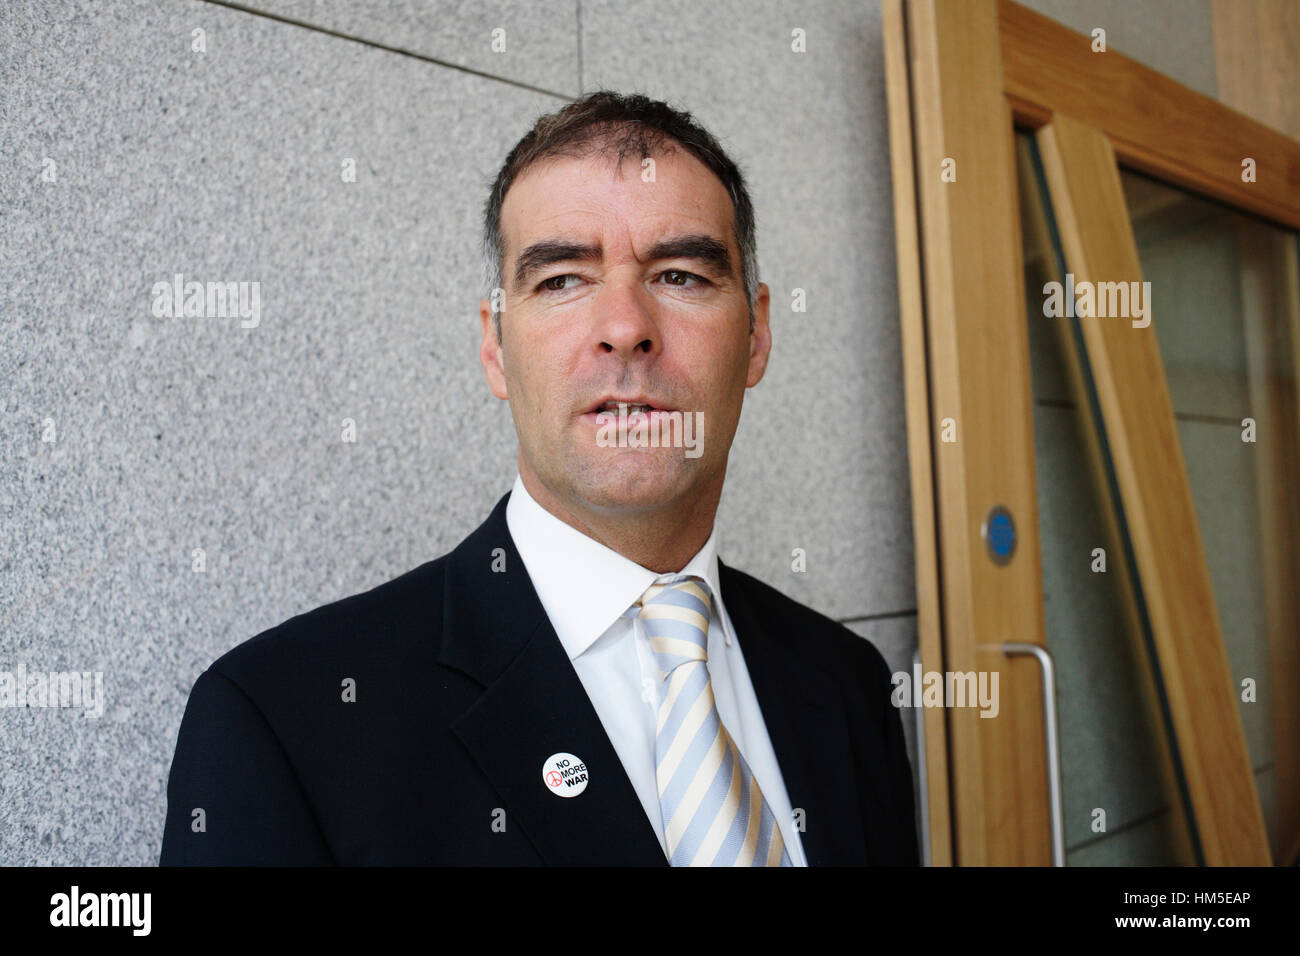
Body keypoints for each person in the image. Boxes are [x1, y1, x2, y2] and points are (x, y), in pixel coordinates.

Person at [160, 90, 918, 866]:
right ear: (495, 347)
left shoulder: (846, 684)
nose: (626, 328)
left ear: (756, 334)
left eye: (682, 274)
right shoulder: (282, 720)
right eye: (561, 280)